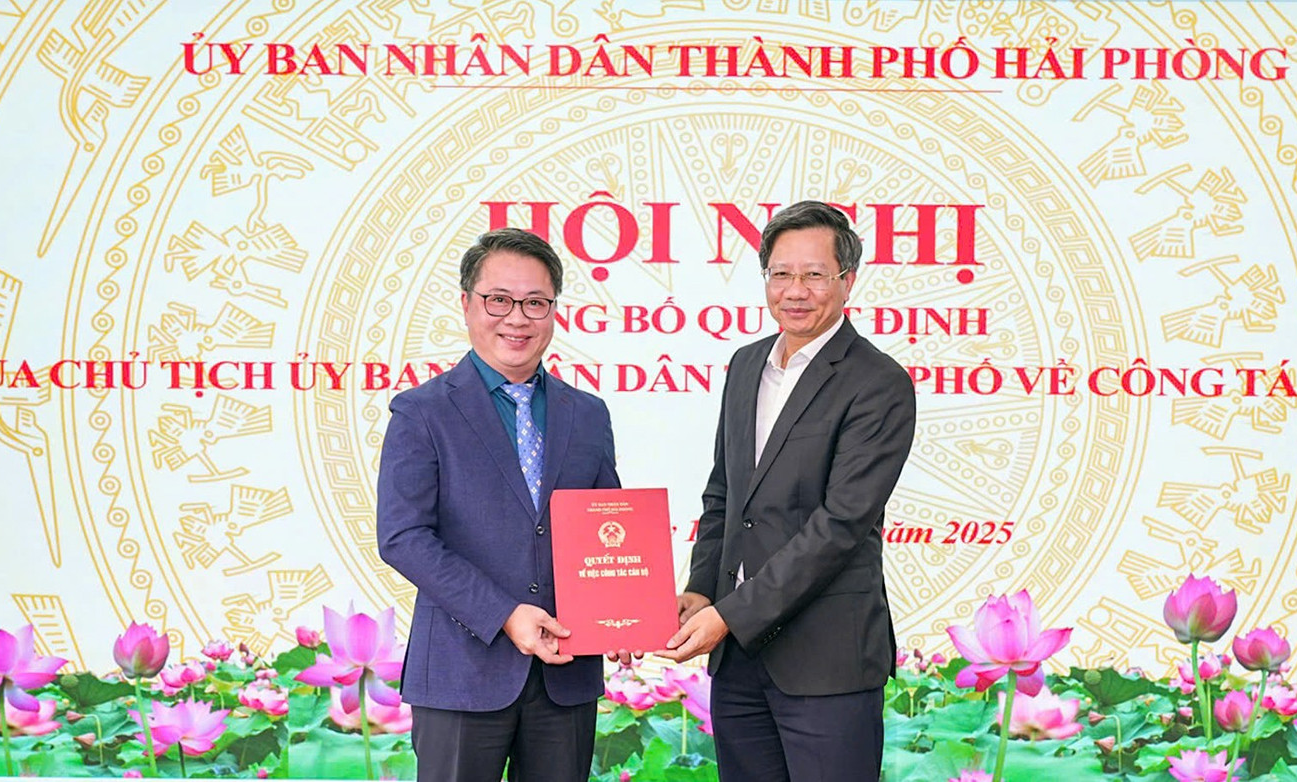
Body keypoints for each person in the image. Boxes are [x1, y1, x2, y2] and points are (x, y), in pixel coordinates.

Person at [659, 201, 917, 781]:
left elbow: (839, 526)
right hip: (739, 663)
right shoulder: (746, 365)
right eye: (781, 273)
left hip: (827, 661)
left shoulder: (878, 383)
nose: (795, 291)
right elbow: (724, 494)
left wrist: (729, 615)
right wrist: (701, 589)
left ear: (847, 280)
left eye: (814, 275)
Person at [377, 228, 620, 782]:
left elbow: (607, 529)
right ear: (467, 304)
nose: (517, 318)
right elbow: (403, 538)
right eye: (499, 300)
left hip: (566, 673)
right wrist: (505, 614)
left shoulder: (587, 414)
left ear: (553, 310)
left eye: (535, 303)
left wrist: (621, 618)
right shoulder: (422, 412)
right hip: (462, 674)